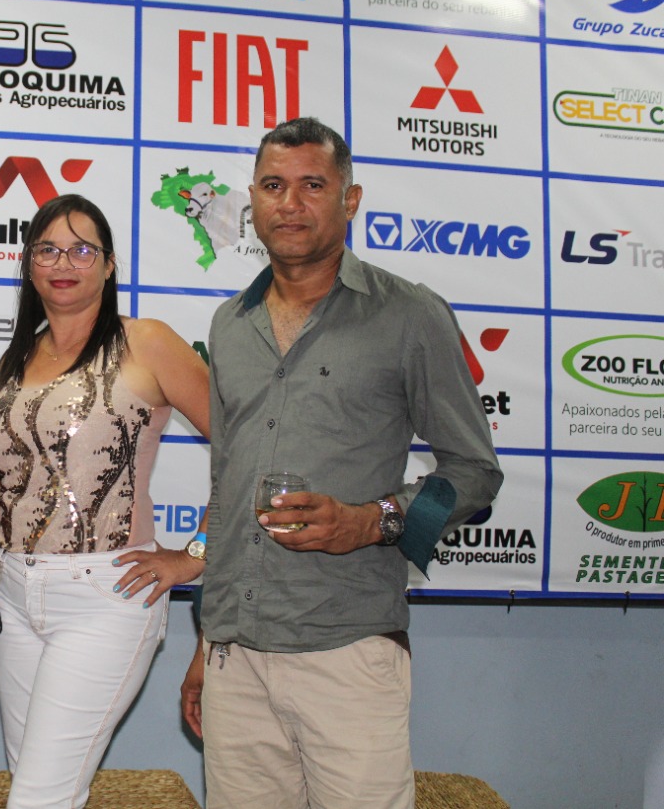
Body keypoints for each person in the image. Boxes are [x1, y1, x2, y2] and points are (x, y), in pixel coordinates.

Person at [189, 117, 503, 808]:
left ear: (350, 199)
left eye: (312, 185)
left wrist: (372, 520)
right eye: (273, 185)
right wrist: (206, 638)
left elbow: (475, 471)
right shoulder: (228, 324)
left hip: (348, 647)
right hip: (235, 655)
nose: (290, 203)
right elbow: (227, 485)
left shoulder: (410, 315)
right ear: (253, 199)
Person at [0, 193, 210, 809]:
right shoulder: (19, 357)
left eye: (82, 250)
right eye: (48, 249)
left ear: (109, 265)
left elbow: (250, 446)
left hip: (106, 597)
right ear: (29, 264)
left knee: (38, 798)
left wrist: (197, 555)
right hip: (14, 595)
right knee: (37, 786)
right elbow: (3, 490)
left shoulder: (146, 341)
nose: (64, 263)